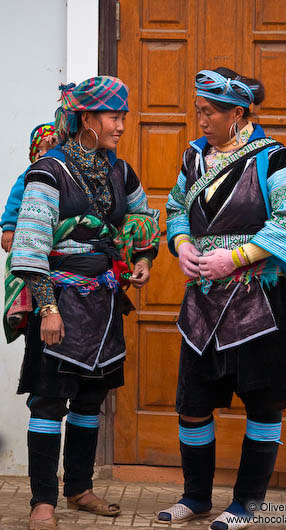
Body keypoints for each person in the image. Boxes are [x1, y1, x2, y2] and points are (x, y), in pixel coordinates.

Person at [156, 67, 286, 530]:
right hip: (202, 301)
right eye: (198, 110)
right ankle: (196, 497)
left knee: (262, 404)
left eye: (209, 112)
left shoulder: (275, 160)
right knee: (193, 402)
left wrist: (236, 257)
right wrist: (182, 245)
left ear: (237, 113)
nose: (200, 119)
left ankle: (247, 503)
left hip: (258, 302)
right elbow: (177, 209)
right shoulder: (193, 159)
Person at [9, 76, 160, 530]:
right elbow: (30, 247)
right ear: (87, 119)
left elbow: (142, 217)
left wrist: (144, 257)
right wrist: (48, 309)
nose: (120, 126)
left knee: (91, 398)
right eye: (114, 117)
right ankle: (42, 502)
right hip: (58, 300)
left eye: (122, 118)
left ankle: (79, 488)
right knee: (49, 400)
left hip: (104, 303)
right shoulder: (48, 172)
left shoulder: (119, 170)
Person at [1, 123, 58, 252]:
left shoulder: (66, 173)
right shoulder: (30, 174)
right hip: (33, 234)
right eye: (38, 150)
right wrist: (9, 228)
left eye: (49, 149)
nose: (42, 154)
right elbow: (14, 201)